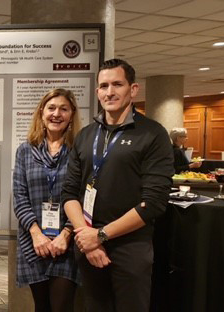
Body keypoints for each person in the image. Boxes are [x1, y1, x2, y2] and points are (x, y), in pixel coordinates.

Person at [62, 59, 174, 311]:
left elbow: (153, 203)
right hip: (87, 242)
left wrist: (101, 235)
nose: (110, 92)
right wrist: (86, 237)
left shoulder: (153, 134)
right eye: (104, 86)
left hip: (130, 247)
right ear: (97, 92)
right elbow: (69, 193)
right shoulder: (86, 135)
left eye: (117, 84)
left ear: (133, 89)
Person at [13, 88, 81, 311]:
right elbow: (20, 197)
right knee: (41, 306)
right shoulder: (25, 151)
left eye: (64, 109)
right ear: (42, 112)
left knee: (62, 306)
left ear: (71, 115)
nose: (57, 113)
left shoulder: (79, 151)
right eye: (51, 108)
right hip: (35, 242)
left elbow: (83, 197)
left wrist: (66, 235)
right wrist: (37, 235)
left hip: (67, 243)